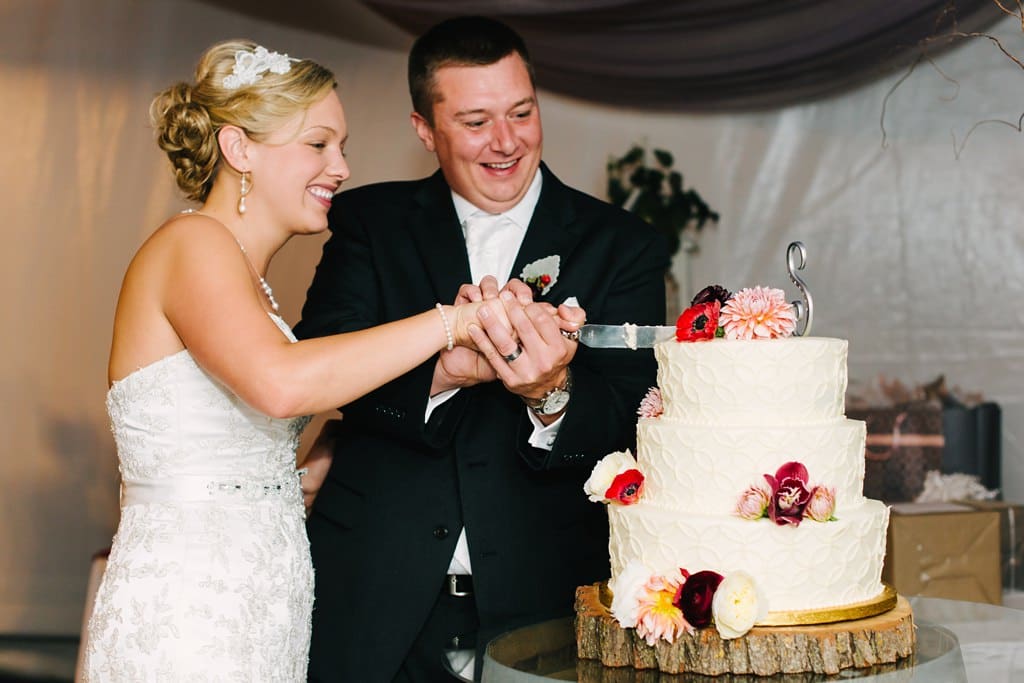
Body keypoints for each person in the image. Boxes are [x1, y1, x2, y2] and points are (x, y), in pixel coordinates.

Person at [81, 39, 537, 682]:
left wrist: (315, 461)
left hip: (262, 601)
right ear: (240, 149)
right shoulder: (192, 244)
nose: (341, 168)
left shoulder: (248, 280)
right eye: (318, 144)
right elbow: (281, 384)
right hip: (193, 611)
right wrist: (451, 322)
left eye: (342, 147)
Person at [295, 16, 669, 683]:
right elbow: (317, 367)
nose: (505, 142)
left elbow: (632, 423)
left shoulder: (623, 244)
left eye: (521, 113)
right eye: (474, 122)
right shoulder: (370, 224)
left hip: (547, 605)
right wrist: (444, 369)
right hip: (373, 597)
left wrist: (551, 392)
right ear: (423, 129)